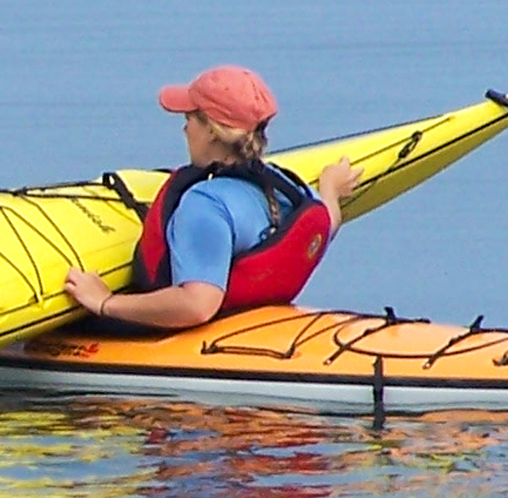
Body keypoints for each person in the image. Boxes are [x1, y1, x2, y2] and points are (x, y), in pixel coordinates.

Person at [62, 66, 360, 328]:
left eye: (190, 117)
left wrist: (105, 302)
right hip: (256, 318)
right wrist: (331, 189)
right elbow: (323, 225)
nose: (184, 127)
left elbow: (197, 305)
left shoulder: (205, 204)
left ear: (213, 131)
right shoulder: (287, 186)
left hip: (205, 329)